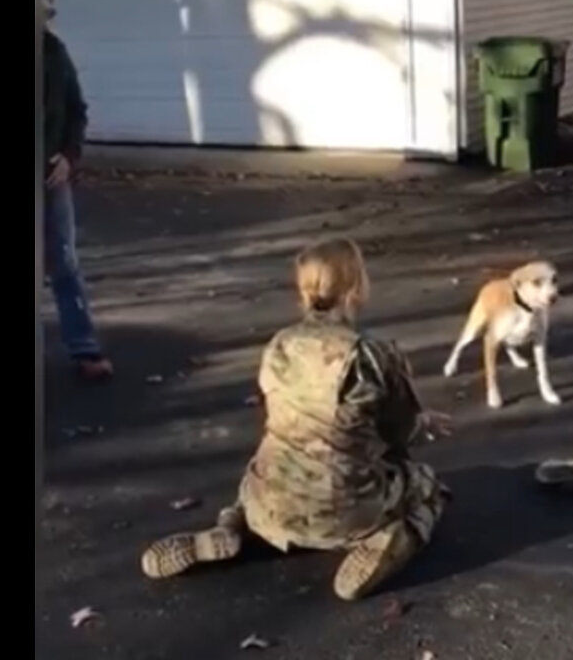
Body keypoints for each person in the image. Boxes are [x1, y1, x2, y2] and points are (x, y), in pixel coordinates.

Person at [140, 239, 452, 600]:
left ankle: (232, 528)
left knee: (253, 483)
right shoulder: (372, 356)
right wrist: (423, 425)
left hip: (269, 499)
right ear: (356, 288)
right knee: (423, 485)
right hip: (344, 508)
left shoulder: (280, 344)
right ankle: (390, 539)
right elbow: (400, 433)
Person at [42, 0, 112, 381]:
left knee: (64, 264)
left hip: (51, 179)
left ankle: (84, 348)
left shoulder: (54, 52)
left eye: (46, 10)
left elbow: (76, 110)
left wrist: (69, 157)